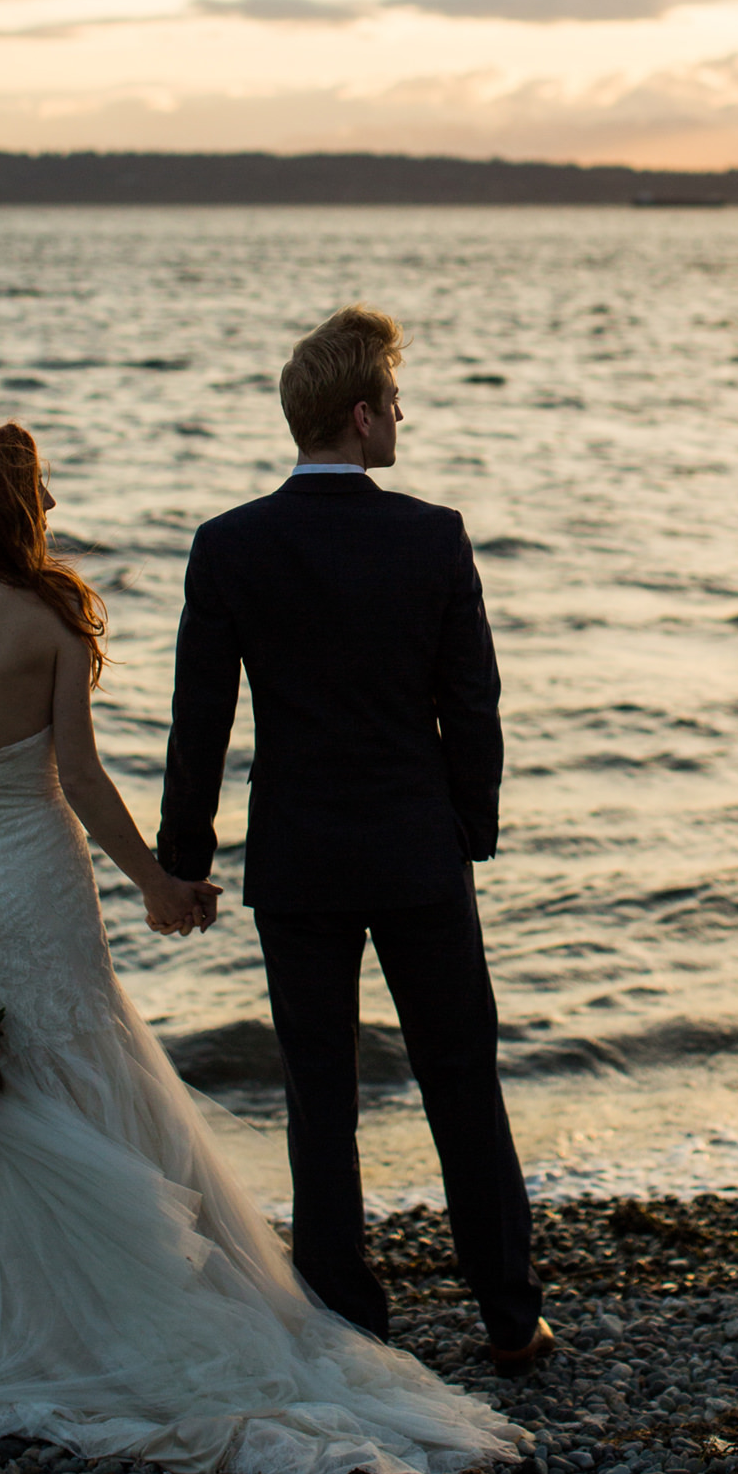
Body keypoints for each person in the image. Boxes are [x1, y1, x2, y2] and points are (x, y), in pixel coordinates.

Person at [0, 416, 519, 1474]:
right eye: (41, 490)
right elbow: (79, 780)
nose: (53, 508)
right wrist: (158, 882)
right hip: (37, 888)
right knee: (82, 1078)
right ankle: (136, 1319)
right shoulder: (50, 620)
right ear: (11, 504)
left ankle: (9, 1332)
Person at [159, 307, 553, 1371]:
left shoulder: (230, 545)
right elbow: (472, 702)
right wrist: (470, 825)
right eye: (394, 402)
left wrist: (183, 861)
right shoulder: (431, 535)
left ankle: (345, 1318)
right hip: (418, 848)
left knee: (318, 1094)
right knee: (460, 1077)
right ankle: (508, 1314)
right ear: (361, 416)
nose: (402, 419)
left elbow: (201, 723)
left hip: (298, 858)